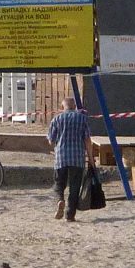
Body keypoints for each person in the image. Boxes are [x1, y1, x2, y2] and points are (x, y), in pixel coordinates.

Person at [46, 94, 92, 222]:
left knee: (58, 184)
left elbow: (51, 140)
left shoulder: (56, 119)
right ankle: (70, 215)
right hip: (77, 158)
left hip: (61, 157)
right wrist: (91, 158)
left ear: (62, 107)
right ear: (75, 106)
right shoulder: (82, 119)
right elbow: (87, 140)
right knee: (75, 187)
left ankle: (60, 199)